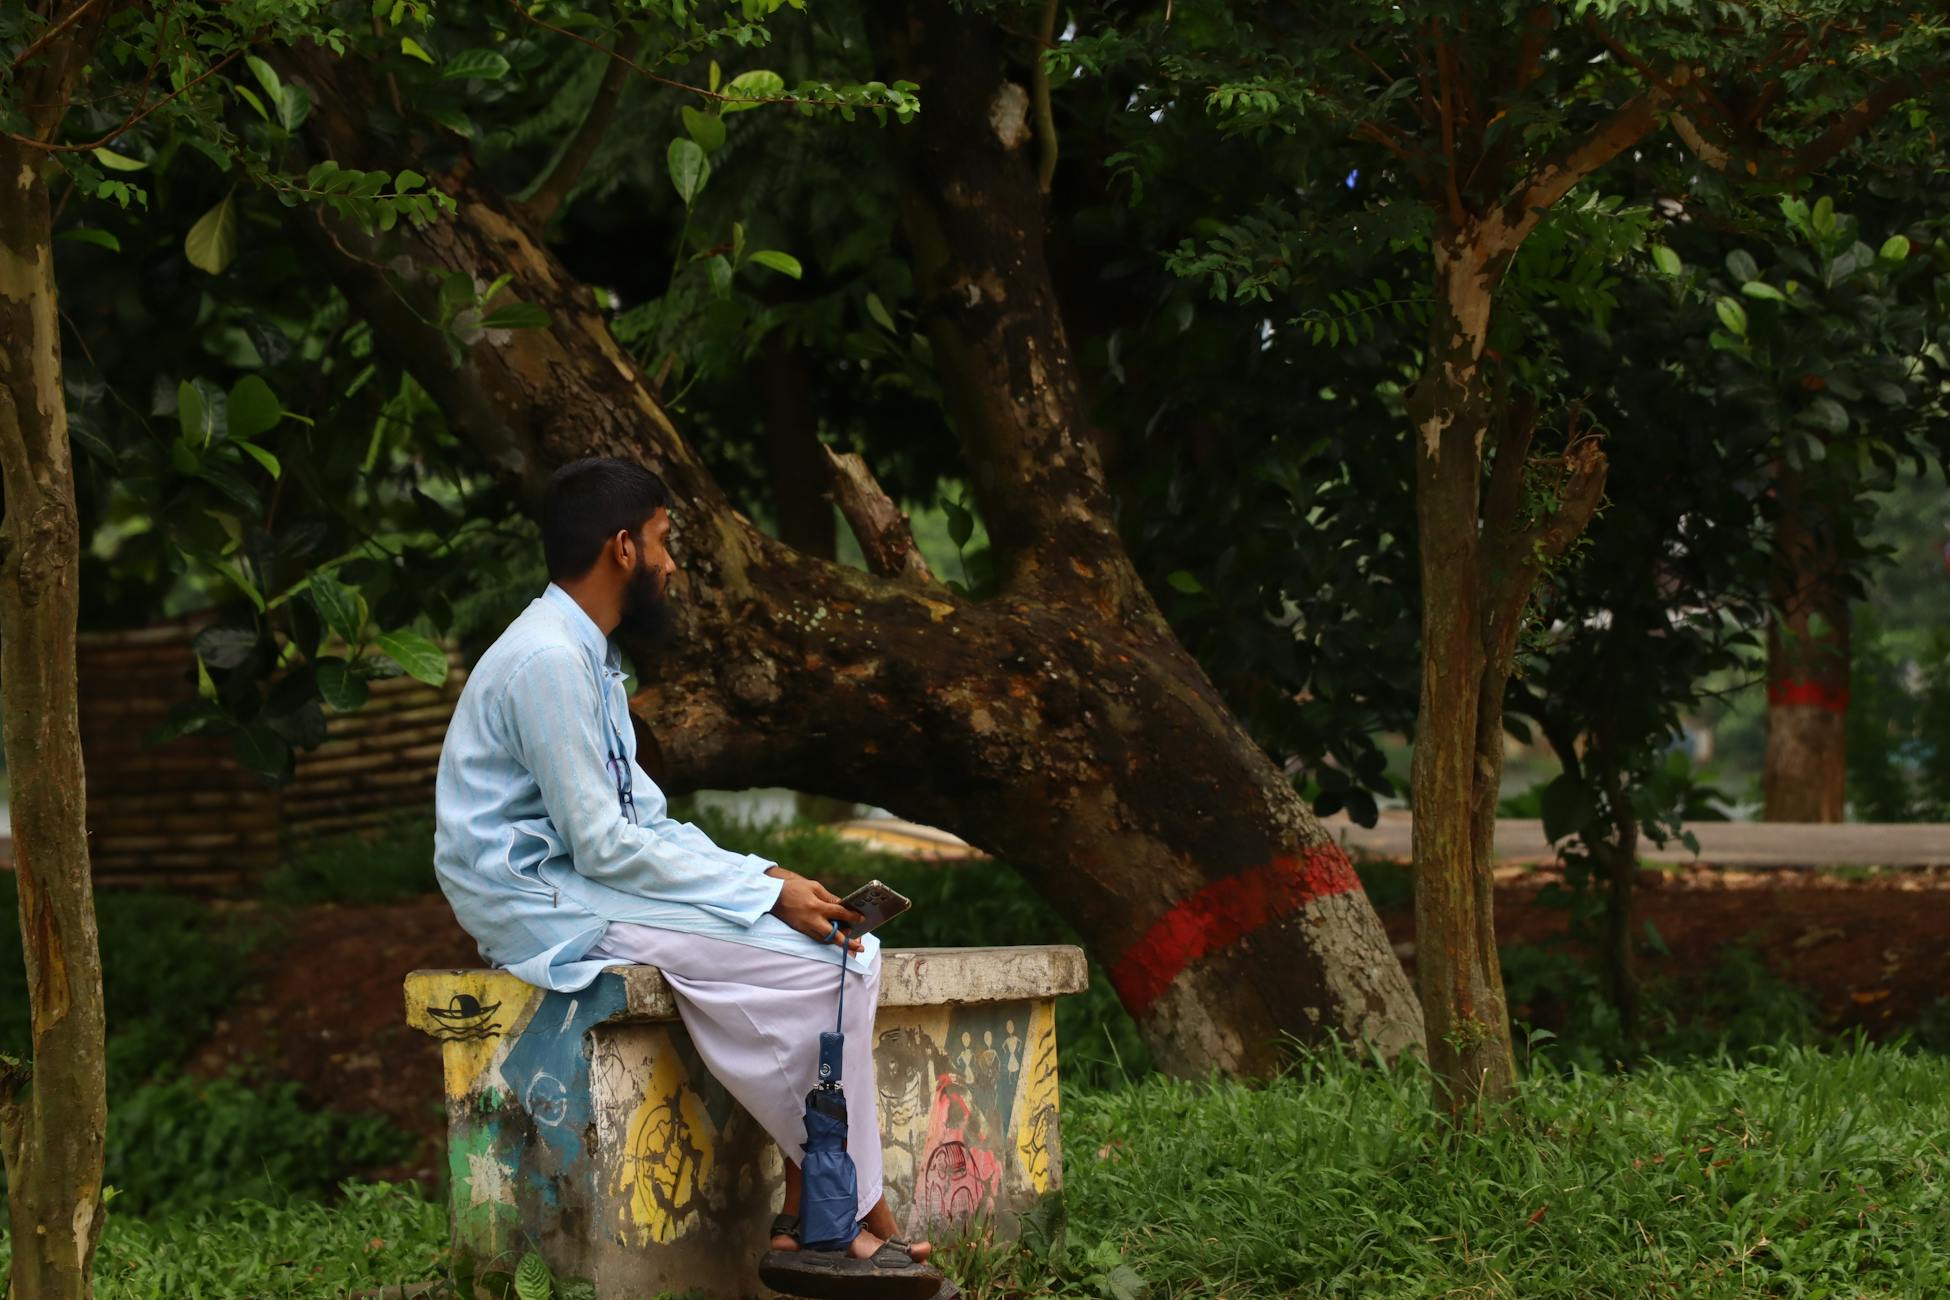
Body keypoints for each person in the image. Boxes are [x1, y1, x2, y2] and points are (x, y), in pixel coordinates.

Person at [433, 457, 947, 1293]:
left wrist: (764, 872)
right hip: (538, 898)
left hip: (580, 877)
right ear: (624, 547)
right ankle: (846, 1218)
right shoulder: (547, 662)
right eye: (666, 542)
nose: (673, 564)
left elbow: (644, 825)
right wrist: (762, 894)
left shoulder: (584, 655)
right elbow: (603, 845)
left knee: (845, 955)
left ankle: (809, 1218)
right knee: (828, 961)